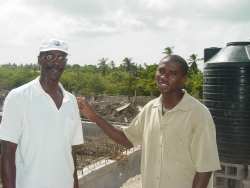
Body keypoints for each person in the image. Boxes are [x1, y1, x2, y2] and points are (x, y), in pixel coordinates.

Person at [77, 54, 221, 188]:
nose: (164, 76)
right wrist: (95, 117)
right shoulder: (150, 109)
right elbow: (127, 139)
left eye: (173, 73)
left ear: (184, 79)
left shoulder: (198, 114)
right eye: (161, 71)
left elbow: (205, 168)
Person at [0, 39, 84, 188]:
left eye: (61, 57)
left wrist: (75, 184)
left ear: (65, 62)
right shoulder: (18, 97)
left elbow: (71, 152)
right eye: (50, 56)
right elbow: (7, 153)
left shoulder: (70, 101)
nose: (56, 62)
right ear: (39, 60)